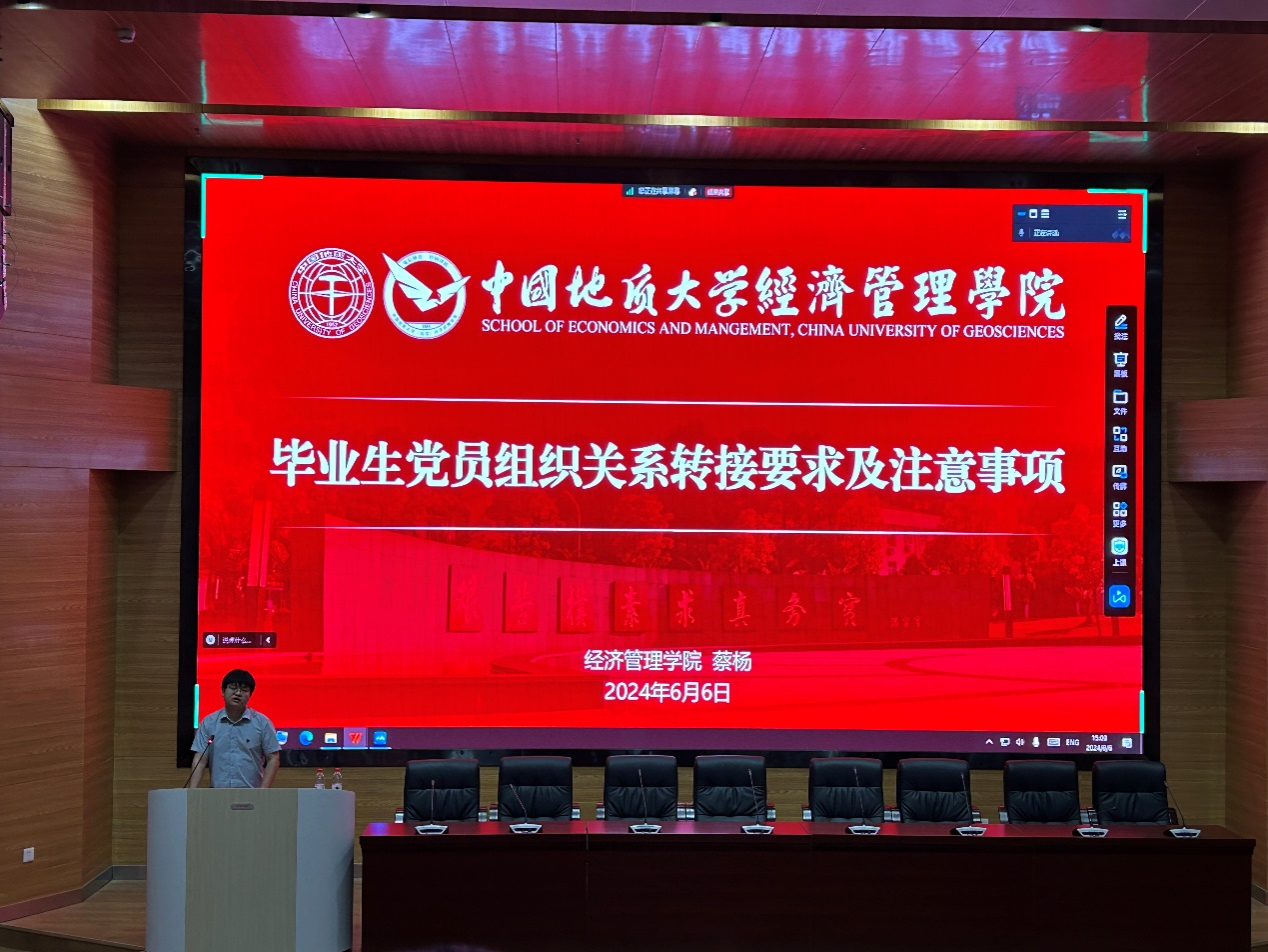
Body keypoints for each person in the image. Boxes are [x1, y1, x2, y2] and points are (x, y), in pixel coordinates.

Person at [188, 669, 280, 788]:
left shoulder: (262, 723)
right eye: (233, 687)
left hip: (252, 793)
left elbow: (273, 758)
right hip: (218, 794)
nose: (238, 693)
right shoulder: (209, 723)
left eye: (244, 690)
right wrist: (192, 792)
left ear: (250, 695)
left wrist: (263, 791)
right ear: (223, 691)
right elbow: (200, 760)